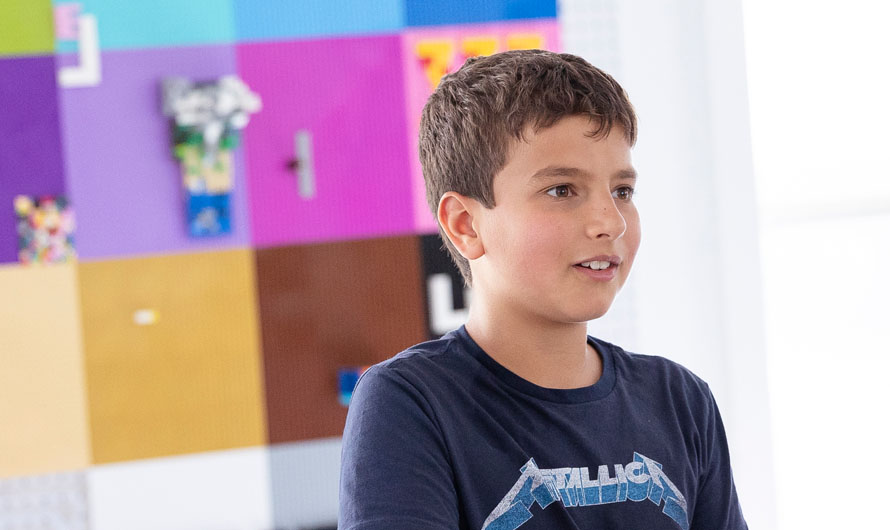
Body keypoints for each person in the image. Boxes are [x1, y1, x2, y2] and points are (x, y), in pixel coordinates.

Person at [339, 49, 747, 530]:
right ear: (465, 224)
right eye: (562, 190)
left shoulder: (681, 401)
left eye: (622, 191)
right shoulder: (409, 403)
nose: (610, 222)